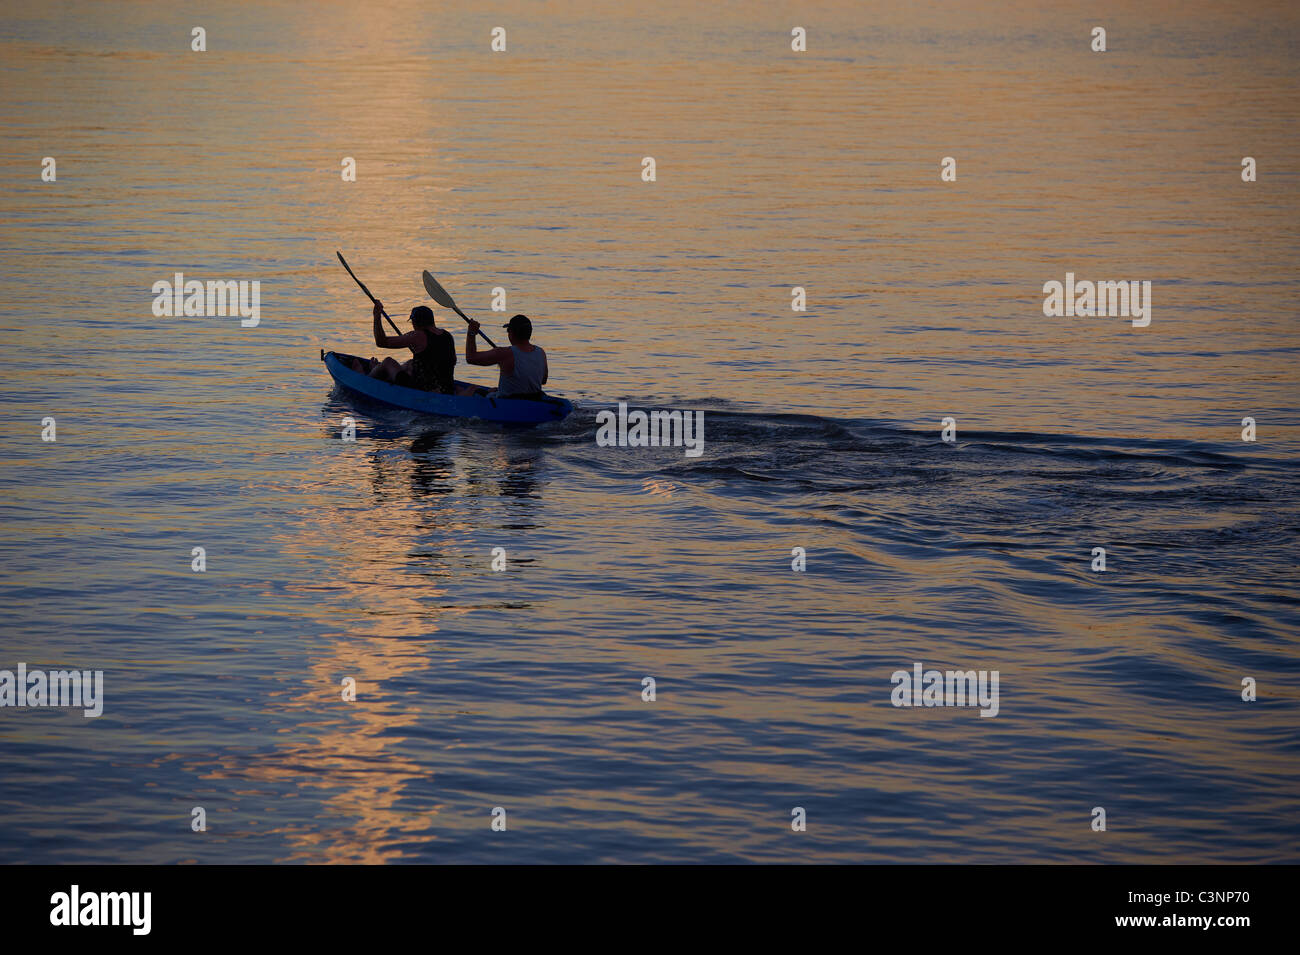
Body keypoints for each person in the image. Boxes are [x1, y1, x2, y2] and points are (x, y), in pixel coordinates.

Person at [350, 301, 456, 393]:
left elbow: (381, 342)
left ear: (415, 322)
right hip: (445, 388)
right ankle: (380, 372)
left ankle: (366, 379)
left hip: (421, 390)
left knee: (388, 362)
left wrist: (377, 316)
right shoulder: (447, 335)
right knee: (411, 363)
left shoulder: (417, 335)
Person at [464, 313, 549, 399]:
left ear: (511, 334)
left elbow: (471, 358)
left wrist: (471, 333)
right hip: (534, 400)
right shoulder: (541, 352)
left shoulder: (504, 353)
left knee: (471, 389)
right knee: (493, 390)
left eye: (508, 330)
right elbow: (543, 380)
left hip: (506, 404)